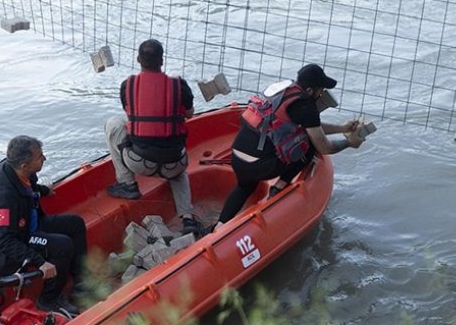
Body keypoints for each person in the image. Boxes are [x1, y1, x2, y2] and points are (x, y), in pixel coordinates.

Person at [213, 63, 365, 229]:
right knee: (310, 146)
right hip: (260, 166)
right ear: (309, 91)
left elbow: (311, 126)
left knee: (244, 187)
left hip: (237, 157)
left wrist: (342, 128)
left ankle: (219, 226)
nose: (321, 94)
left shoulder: (281, 91)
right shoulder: (306, 106)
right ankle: (280, 186)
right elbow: (324, 147)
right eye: (320, 90)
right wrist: (349, 143)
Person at [0, 135, 87, 316]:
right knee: (62, 245)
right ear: (24, 165)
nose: (44, 158)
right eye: (40, 157)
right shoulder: (3, 197)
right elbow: (4, 241)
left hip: (29, 224)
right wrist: (40, 262)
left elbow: (30, 185)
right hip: (9, 244)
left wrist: (43, 190)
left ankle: (81, 283)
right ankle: (48, 299)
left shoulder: (18, 170)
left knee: (75, 223)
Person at [104, 39, 204, 236]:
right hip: (173, 164)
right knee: (179, 172)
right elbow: (190, 114)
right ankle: (188, 218)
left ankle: (128, 184)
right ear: (162, 60)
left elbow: (130, 113)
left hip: (139, 163)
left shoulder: (127, 86)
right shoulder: (179, 86)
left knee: (114, 124)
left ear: (138, 59)